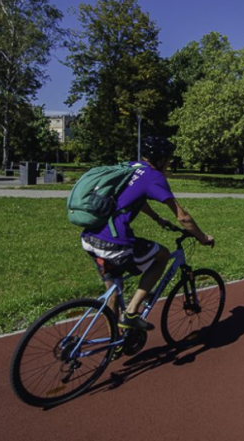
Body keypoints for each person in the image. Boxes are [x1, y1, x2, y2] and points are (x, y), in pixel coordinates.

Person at [80, 135, 214, 331]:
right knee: (163, 255)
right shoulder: (154, 176)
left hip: (91, 236)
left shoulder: (130, 167)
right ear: (160, 159)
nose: (169, 164)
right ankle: (132, 312)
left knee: (114, 289)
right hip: (114, 243)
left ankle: (115, 339)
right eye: (169, 159)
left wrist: (157, 218)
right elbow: (182, 217)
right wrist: (203, 237)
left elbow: (136, 199)